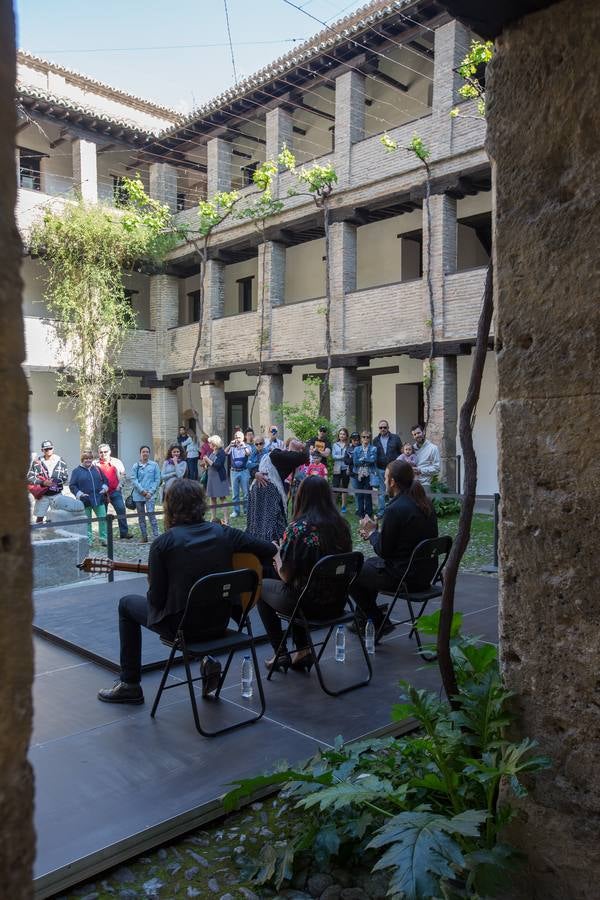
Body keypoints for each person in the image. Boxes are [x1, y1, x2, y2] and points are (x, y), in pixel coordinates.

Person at [97, 480, 278, 705]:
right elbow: (268, 549)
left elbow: (156, 602)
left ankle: (130, 684)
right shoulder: (224, 533)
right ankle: (207, 659)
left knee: (126, 604)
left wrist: (155, 582)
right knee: (199, 602)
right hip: (220, 623)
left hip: (183, 629)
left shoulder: (163, 544)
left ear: (170, 507)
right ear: (201, 504)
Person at [258, 475, 352, 672]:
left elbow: (286, 575)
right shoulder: (342, 526)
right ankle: (302, 650)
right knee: (299, 584)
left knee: (263, 587)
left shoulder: (298, 529)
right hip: (337, 602)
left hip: (308, 606)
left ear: (301, 497)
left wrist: (277, 555)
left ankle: (281, 652)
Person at [350, 460, 438, 632]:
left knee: (352, 572)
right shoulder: (424, 502)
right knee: (368, 565)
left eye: (385, 478)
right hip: (425, 573)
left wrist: (372, 533)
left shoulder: (395, 508)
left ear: (392, 482)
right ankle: (362, 620)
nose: (384, 482)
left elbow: (384, 551)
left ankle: (377, 620)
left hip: (405, 577)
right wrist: (374, 533)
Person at [246, 441, 308, 543]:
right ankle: (260, 544)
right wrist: (255, 473)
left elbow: (304, 457)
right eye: (296, 440)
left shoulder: (291, 457)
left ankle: (271, 545)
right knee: (259, 521)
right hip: (262, 489)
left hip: (269, 491)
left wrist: (300, 446)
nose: (297, 441)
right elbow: (251, 465)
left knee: (272, 522)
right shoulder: (277, 454)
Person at [69, 450, 109, 545]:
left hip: (99, 499)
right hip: (85, 500)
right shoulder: (76, 471)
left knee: (103, 519)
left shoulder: (97, 469)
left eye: (90, 458)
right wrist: (80, 494)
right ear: (82, 459)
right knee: (87, 522)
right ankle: (89, 540)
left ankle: (103, 539)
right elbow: (72, 485)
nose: (88, 460)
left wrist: (104, 488)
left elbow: (105, 480)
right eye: (86, 458)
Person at [95, 443, 132, 540]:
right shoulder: (95, 464)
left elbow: (123, 474)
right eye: (101, 452)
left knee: (121, 510)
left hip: (115, 491)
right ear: (98, 453)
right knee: (102, 515)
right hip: (102, 493)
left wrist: (120, 486)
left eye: (105, 452)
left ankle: (124, 533)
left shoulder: (117, 462)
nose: (103, 454)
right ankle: (104, 536)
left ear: (110, 452)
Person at [27, 440, 68, 523]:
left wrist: (56, 481)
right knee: (39, 518)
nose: (48, 450)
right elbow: (30, 478)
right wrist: (42, 482)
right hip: (43, 495)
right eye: (46, 449)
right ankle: (40, 531)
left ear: (53, 448)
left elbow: (65, 477)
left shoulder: (61, 461)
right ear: (42, 450)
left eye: (50, 448)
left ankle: (55, 531)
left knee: (58, 517)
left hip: (57, 494)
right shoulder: (37, 462)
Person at [373, 419, 403, 518]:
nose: (383, 429)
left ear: (388, 428)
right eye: (381, 427)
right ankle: (381, 511)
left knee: (394, 490)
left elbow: (401, 452)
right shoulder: (375, 440)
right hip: (381, 469)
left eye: (384, 427)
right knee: (382, 491)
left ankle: (394, 510)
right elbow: (374, 455)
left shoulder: (395, 438)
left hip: (393, 469)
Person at [131, 445, 161, 543]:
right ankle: (144, 536)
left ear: (149, 453)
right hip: (138, 495)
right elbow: (134, 480)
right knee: (141, 517)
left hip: (150, 495)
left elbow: (157, 479)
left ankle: (156, 536)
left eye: (147, 452)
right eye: (143, 452)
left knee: (151, 515)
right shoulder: (136, 466)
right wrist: (142, 491)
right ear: (140, 453)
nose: (145, 453)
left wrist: (150, 492)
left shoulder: (154, 465)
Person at [201, 435, 229, 524]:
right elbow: (209, 466)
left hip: (219, 478)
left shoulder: (221, 452)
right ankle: (213, 518)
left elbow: (217, 465)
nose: (209, 444)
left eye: (210, 443)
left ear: (214, 444)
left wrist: (207, 459)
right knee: (212, 498)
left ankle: (226, 519)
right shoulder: (211, 452)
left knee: (222, 498)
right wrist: (205, 463)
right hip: (211, 478)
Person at [225, 430, 251, 518]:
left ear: (243, 438)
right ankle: (236, 511)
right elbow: (225, 453)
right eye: (236, 437)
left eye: (239, 437)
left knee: (246, 493)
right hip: (234, 471)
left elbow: (248, 453)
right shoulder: (232, 447)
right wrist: (230, 445)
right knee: (235, 494)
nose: (237, 439)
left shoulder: (246, 446)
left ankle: (246, 511)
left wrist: (243, 446)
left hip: (244, 471)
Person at [352, 431, 377, 518]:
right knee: (359, 494)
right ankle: (360, 513)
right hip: (358, 473)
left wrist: (362, 459)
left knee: (367, 493)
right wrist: (366, 459)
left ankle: (368, 513)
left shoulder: (373, 448)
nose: (365, 439)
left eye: (367, 437)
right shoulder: (356, 449)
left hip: (369, 473)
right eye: (364, 437)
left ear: (370, 438)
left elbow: (373, 460)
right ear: (361, 438)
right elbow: (355, 462)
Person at [332, 427, 350, 513]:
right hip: (337, 468)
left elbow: (350, 457)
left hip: (346, 468)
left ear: (346, 436)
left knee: (344, 487)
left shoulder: (349, 445)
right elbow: (334, 456)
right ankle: (333, 506)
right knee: (335, 487)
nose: (342, 435)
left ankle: (343, 506)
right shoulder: (335, 445)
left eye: (344, 434)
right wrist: (343, 457)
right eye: (340, 434)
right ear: (338, 435)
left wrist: (345, 458)